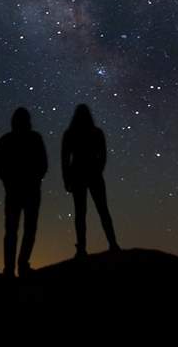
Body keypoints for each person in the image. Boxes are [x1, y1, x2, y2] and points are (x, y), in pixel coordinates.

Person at [62, 104, 120, 258]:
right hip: (93, 174)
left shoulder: (70, 134)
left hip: (78, 174)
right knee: (102, 210)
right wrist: (98, 169)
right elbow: (103, 155)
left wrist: (66, 179)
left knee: (81, 213)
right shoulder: (96, 132)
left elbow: (65, 160)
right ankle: (112, 243)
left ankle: (82, 248)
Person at [0, 107, 48, 277]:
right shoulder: (34, 138)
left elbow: (1, 168)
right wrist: (35, 179)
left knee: (12, 231)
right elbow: (43, 164)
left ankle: (10, 268)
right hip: (29, 190)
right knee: (27, 229)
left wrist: (9, 183)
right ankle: (21, 265)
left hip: (15, 191)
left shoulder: (6, 140)